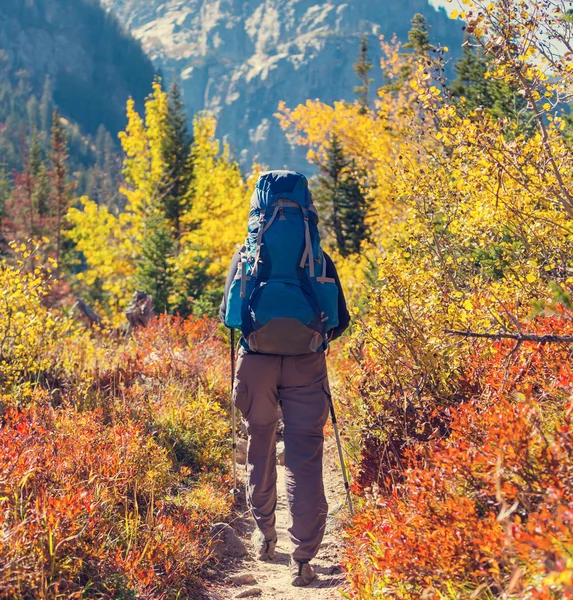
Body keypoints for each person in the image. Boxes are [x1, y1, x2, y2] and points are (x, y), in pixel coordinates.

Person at [219, 171, 350, 587]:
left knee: (259, 441)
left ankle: (265, 533)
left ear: (258, 206)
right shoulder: (317, 256)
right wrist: (312, 339)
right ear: (306, 206)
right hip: (306, 361)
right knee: (304, 455)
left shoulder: (247, 253)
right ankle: (304, 557)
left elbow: (229, 316)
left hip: (256, 359)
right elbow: (339, 319)